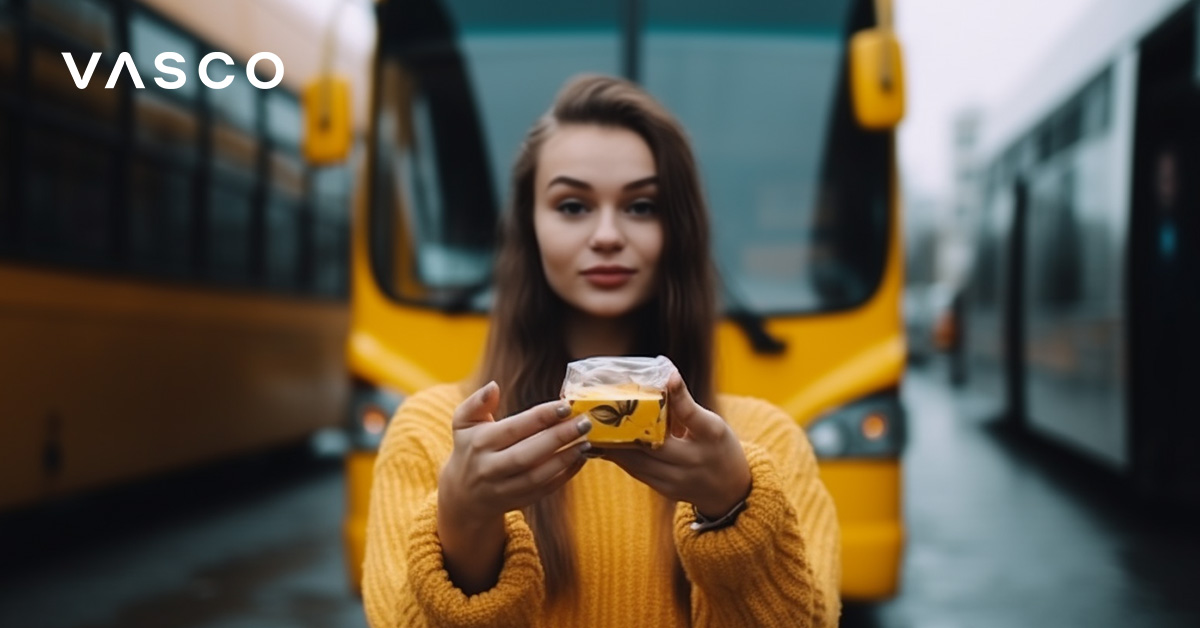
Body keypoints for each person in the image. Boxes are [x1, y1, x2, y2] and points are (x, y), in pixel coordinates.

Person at [362, 74, 841, 627]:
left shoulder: (768, 445)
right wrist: (464, 525)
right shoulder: (432, 438)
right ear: (529, 228)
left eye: (641, 206)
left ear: (678, 229)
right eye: (572, 206)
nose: (608, 234)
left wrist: (733, 509)